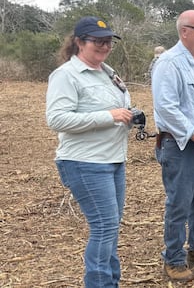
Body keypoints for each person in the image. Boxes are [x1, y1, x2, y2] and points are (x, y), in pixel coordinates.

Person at [45, 16, 134, 288]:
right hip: (84, 162)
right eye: (98, 41)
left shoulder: (108, 72)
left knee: (110, 227)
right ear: (79, 42)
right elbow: (57, 119)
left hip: (113, 159)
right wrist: (109, 116)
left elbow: (116, 109)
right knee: (105, 227)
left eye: (108, 42)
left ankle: (110, 282)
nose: (105, 46)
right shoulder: (66, 75)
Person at [151, 10, 194, 281]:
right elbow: (165, 106)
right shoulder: (169, 62)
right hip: (180, 146)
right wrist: (193, 133)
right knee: (179, 204)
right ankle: (174, 259)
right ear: (184, 32)